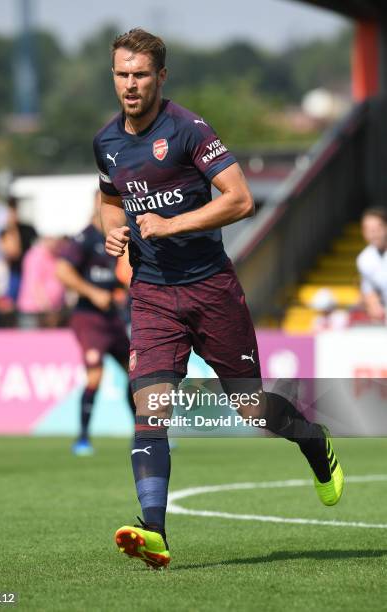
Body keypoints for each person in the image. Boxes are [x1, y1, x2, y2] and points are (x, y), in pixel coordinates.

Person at [93, 28, 344, 569]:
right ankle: (153, 531)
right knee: (150, 408)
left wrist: (171, 224)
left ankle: (312, 440)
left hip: (211, 288)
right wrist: (115, 231)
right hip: (153, 294)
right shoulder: (107, 142)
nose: (130, 85)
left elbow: (242, 200)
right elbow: (110, 201)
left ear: (161, 76)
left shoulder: (189, 130)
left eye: (140, 75)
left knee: (252, 409)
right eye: (121, 74)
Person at [56, 191, 135, 455]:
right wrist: (92, 292)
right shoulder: (85, 238)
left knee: (135, 374)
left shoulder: (119, 237)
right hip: (88, 317)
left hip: (113, 317)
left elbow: (125, 275)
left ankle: (143, 434)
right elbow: (62, 271)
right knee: (95, 375)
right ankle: (82, 438)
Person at [356, 208, 387, 324]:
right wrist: (374, 306)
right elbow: (369, 290)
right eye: (368, 229)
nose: (373, 233)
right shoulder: (364, 259)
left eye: (377, 228)